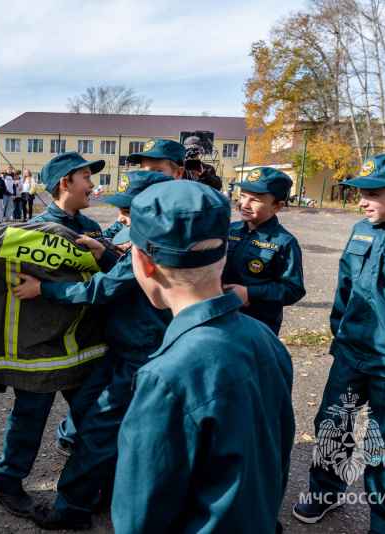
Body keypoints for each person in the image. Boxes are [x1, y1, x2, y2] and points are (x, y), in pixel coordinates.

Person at [111, 180, 295, 534]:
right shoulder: (265, 340)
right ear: (224, 254)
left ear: (144, 263)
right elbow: (277, 455)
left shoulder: (166, 376)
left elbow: (139, 514)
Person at [12, 168, 178, 531]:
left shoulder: (150, 243)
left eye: (127, 211)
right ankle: (105, 487)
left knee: (96, 430)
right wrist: (103, 250)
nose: (120, 217)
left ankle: (72, 509)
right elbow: (122, 269)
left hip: (137, 353)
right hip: (121, 349)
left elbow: (103, 288)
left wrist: (43, 291)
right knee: (86, 413)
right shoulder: (143, 234)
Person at [294, 153, 385, 534]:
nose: (361, 201)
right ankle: (327, 492)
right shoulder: (362, 229)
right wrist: (340, 336)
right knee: (332, 428)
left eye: (371, 193)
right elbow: (345, 289)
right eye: (360, 192)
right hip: (351, 355)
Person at [0, 151, 116, 519]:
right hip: (42, 348)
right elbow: (3, 277)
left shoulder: (93, 228)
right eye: (86, 179)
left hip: (85, 346)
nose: (93, 185)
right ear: (65, 184)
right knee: (30, 417)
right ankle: (6, 484)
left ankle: (100, 482)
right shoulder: (31, 231)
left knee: (94, 418)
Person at [222, 167, 306, 335]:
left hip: (258, 326)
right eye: (243, 195)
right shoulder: (228, 231)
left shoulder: (284, 242)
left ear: (277, 207)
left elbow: (293, 289)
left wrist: (248, 293)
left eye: (256, 200)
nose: (244, 204)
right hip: (222, 317)